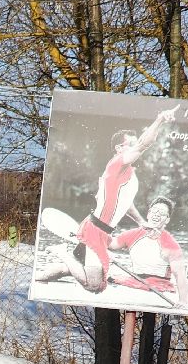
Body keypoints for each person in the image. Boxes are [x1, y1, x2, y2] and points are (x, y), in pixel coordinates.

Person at [34, 104, 180, 293]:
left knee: (71, 268)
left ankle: (38, 278)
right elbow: (145, 143)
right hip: (95, 230)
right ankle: (61, 251)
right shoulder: (117, 164)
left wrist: (142, 222)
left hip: (101, 231)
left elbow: (125, 205)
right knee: (95, 286)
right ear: (119, 148)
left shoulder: (128, 174)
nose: (135, 148)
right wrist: (160, 119)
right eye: (131, 145)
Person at [107, 195, 188, 308]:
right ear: (148, 214)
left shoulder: (170, 244)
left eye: (161, 213)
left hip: (159, 287)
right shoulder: (134, 234)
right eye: (154, 211)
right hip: (135, 281)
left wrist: (183, 301)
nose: (156, 215)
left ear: (167, 220)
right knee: (109, 281)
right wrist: (104, 228)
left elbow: (180, 274)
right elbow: (111, 244)